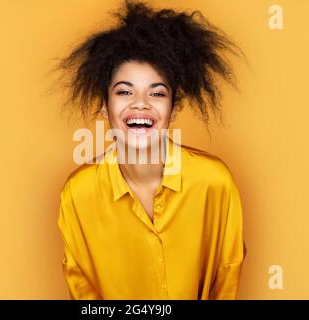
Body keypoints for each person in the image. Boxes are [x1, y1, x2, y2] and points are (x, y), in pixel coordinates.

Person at [53, 0, 247, 299]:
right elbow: (85, 295)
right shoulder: (78, 194)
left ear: (173, 108)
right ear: (105, 106)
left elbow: (226, 278)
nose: (140, 103)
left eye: (156, 92)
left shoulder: (214, 183)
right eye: (125, 91)